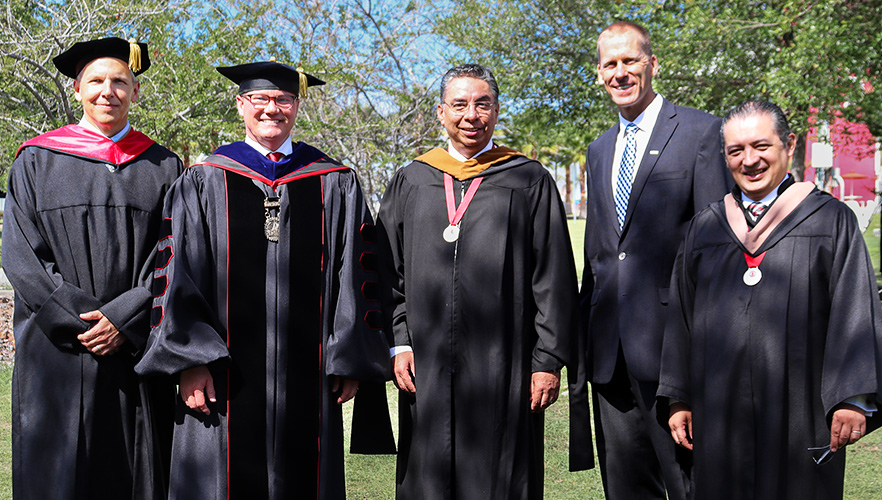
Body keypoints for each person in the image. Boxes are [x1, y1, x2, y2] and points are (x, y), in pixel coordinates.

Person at [135, 60, 395, 500]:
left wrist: (349, 360)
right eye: (261, 99)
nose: (272, 108)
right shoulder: (202, 181)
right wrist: (191, 360)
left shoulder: (336, 182)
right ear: (241, 105)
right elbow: (178, 276)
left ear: (296, 107)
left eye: (283, 100)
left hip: (311, 379)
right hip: (221, 377)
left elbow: (358, 275)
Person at [658, 100, 882, 499]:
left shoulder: (830, 221)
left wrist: (852, 399)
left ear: (789, 144)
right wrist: (678, 397)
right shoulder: (706, 227)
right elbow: (682, 319)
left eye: (761, 146)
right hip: (719, 414)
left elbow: (856, 310)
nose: (750, 160)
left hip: (801, 415)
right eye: (736, 151)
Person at [376, 63, 579, 500]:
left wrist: (546, 360)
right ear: (440, 112)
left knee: (501, 474)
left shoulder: (528, 179)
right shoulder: (413, 178)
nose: (471, 115)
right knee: (428, 475)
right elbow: (386, 270)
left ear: (497, 109)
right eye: (460, 104)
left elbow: (554, 277)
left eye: (482, 103)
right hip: (425, 362)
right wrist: (400, 340)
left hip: (505, 363)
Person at [3, 37, 183, 500]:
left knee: (136, 470)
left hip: (135, 349)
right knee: (57, 472)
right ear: (79, 89)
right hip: (57, 350)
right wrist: (86, 321)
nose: (109, 91)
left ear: (135, 92)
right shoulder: (36, 160)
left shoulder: (164, 167)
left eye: (120, 81)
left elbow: (175, 253)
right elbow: (24, 257)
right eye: (97, 81)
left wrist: (124, 318)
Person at [569, 20, 732, 499]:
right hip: (609, 357)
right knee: (625, 489)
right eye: (609, 64)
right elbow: (600, 255)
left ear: (652, 64)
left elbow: (716, 255)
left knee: (690, 486)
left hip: (673, 355)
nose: (619, 72)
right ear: (598, 73)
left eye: (630, 61)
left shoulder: (702, 133)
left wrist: (703, 359)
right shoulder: (599, 150)